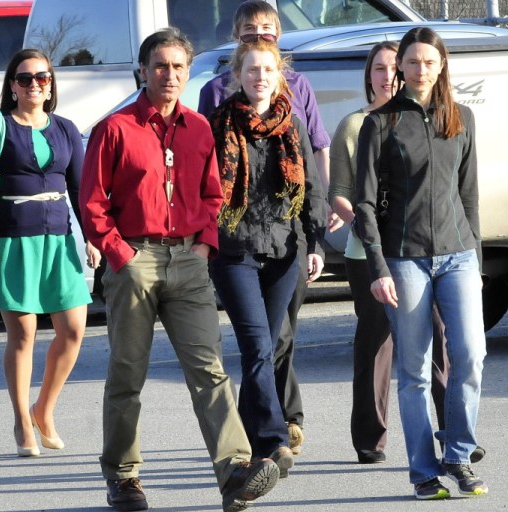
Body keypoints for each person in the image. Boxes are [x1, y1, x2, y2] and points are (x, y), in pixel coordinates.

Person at [81, 27, 280, 512]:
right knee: (127, 374)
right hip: (135, 260)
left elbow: (214, 195)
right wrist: (120, 254)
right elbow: (91, 202)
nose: (169, 75)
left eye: (178, 67)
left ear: (188, 73)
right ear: (144, 72)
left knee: (209, 371)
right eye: (160, 66)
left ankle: (235, 471)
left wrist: (205, 245)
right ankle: (124, 478)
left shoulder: (197, 128)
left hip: (189, 261)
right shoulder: (115, 128)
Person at [354, 26, 488, 500]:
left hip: (457, 258)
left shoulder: (462, 118)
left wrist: (473, 258)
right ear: (401, 68)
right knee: (414, 370)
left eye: (429, 62)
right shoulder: (380, 124)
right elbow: (364, 204)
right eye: (412, 62)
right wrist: (378, 268)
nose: (420, 70)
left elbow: (467, 196)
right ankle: (423, 471)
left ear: (441, 65)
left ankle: (458, 454)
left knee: (471, 356)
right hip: (404, 260)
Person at [199, 0, 336, 455]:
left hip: (285, 250)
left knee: (273, 345)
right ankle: (273, 440)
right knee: (257, 346)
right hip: (234, 250)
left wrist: (315, 243)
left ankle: (251, 431)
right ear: (237, 75)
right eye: (251, 69)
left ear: (280, 77)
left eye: (267, 70)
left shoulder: (292, 125)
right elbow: (202, 187)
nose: (259, 77)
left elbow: (312, 188)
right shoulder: (216, 125)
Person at [0, 48, 100, 457]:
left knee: (74, 330)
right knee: (22, 334)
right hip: (11, 240)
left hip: (58, 241)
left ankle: (43, 409)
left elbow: (80, 189)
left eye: (43, 78)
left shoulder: (64, 128)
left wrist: (91, 236)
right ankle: (22, 420)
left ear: (51, 84)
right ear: (12, 86)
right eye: (25, 79)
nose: (35, 85)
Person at [328, 42, 454, 465]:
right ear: (369, 76)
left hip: (418, 251)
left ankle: (452, 434)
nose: (387, 77)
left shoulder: (418, 120)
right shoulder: (354, 125)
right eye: (378, 69)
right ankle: (370, 438)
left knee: (437, 342)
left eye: (391, 69)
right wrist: (372, 231)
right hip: (368, 255)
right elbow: (340, 195)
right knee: (376, 344)